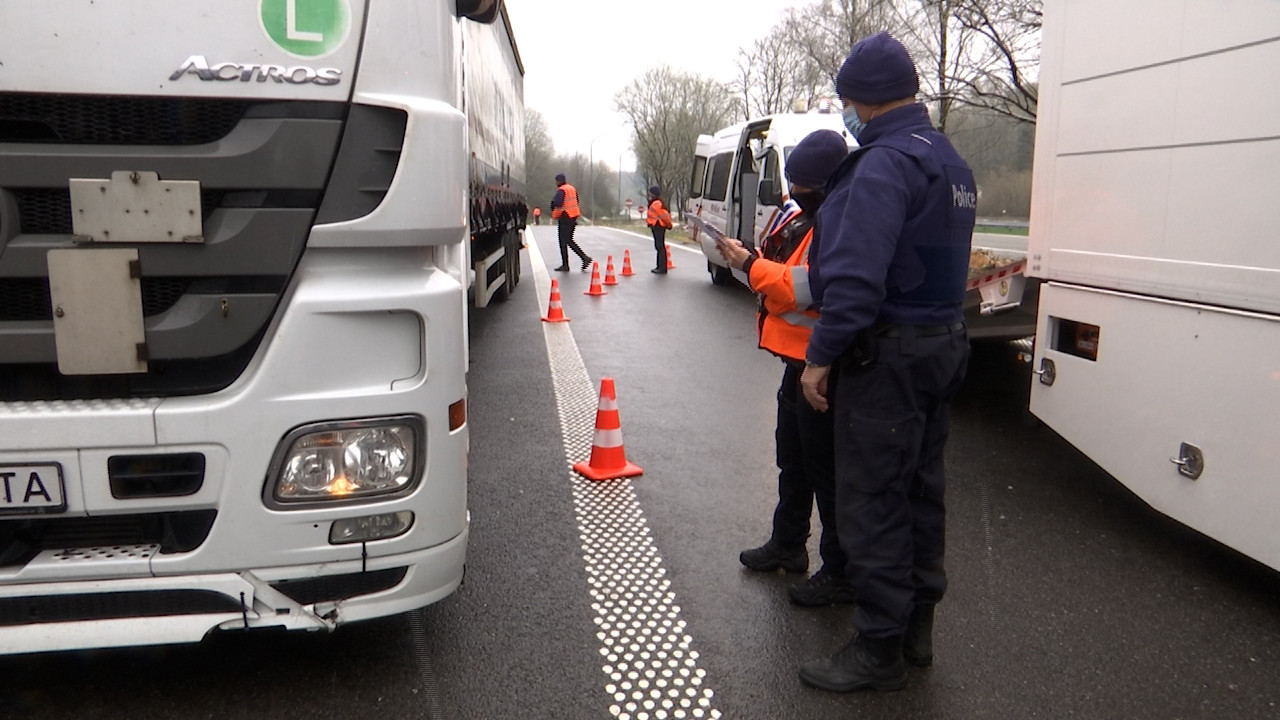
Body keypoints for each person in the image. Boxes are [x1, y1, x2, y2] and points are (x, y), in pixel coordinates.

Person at [797, 32, 976, 692]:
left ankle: (878, 644)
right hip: (942, 343)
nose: (846, 113)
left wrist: (820, 359)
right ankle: (918, 623)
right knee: (923, 488)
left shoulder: (882, 163)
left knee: (873, 495)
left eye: (847, 100)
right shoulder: (948, 160)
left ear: (865, 101)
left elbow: (856, 281)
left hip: (890, 354)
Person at [717, 130, 855, 607]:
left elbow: (805, 288)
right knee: (793, 460)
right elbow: (786, 280)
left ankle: (839, 569)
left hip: (820, 364)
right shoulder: (808, 219)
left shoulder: (836, 222)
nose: (791, 192)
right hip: (795, 362)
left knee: (825, 472)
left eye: (799, 183)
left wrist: (752, 266)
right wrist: (753, 265)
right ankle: (789, 544)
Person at [550, 172, 592, 272]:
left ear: (558, 181)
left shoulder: (562, 190)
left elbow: (558, 203)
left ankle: (567, 264)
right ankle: (584, 258)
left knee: (563, 241)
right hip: (572, 217)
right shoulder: (571, 189)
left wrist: (552, 204)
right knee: (568, 240)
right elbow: (576, 201)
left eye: (556, 181)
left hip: (565, 217)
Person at [645, 185, 674, 273]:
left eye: (650, 193)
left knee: (660, 247)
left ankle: (662, 267)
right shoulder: (655, 203)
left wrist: (669, 225)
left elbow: (664, 216)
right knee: (659, 247)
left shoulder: (656, 204)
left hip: (659, 226)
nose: (649, 194)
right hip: (656, 226)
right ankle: (659, 266)